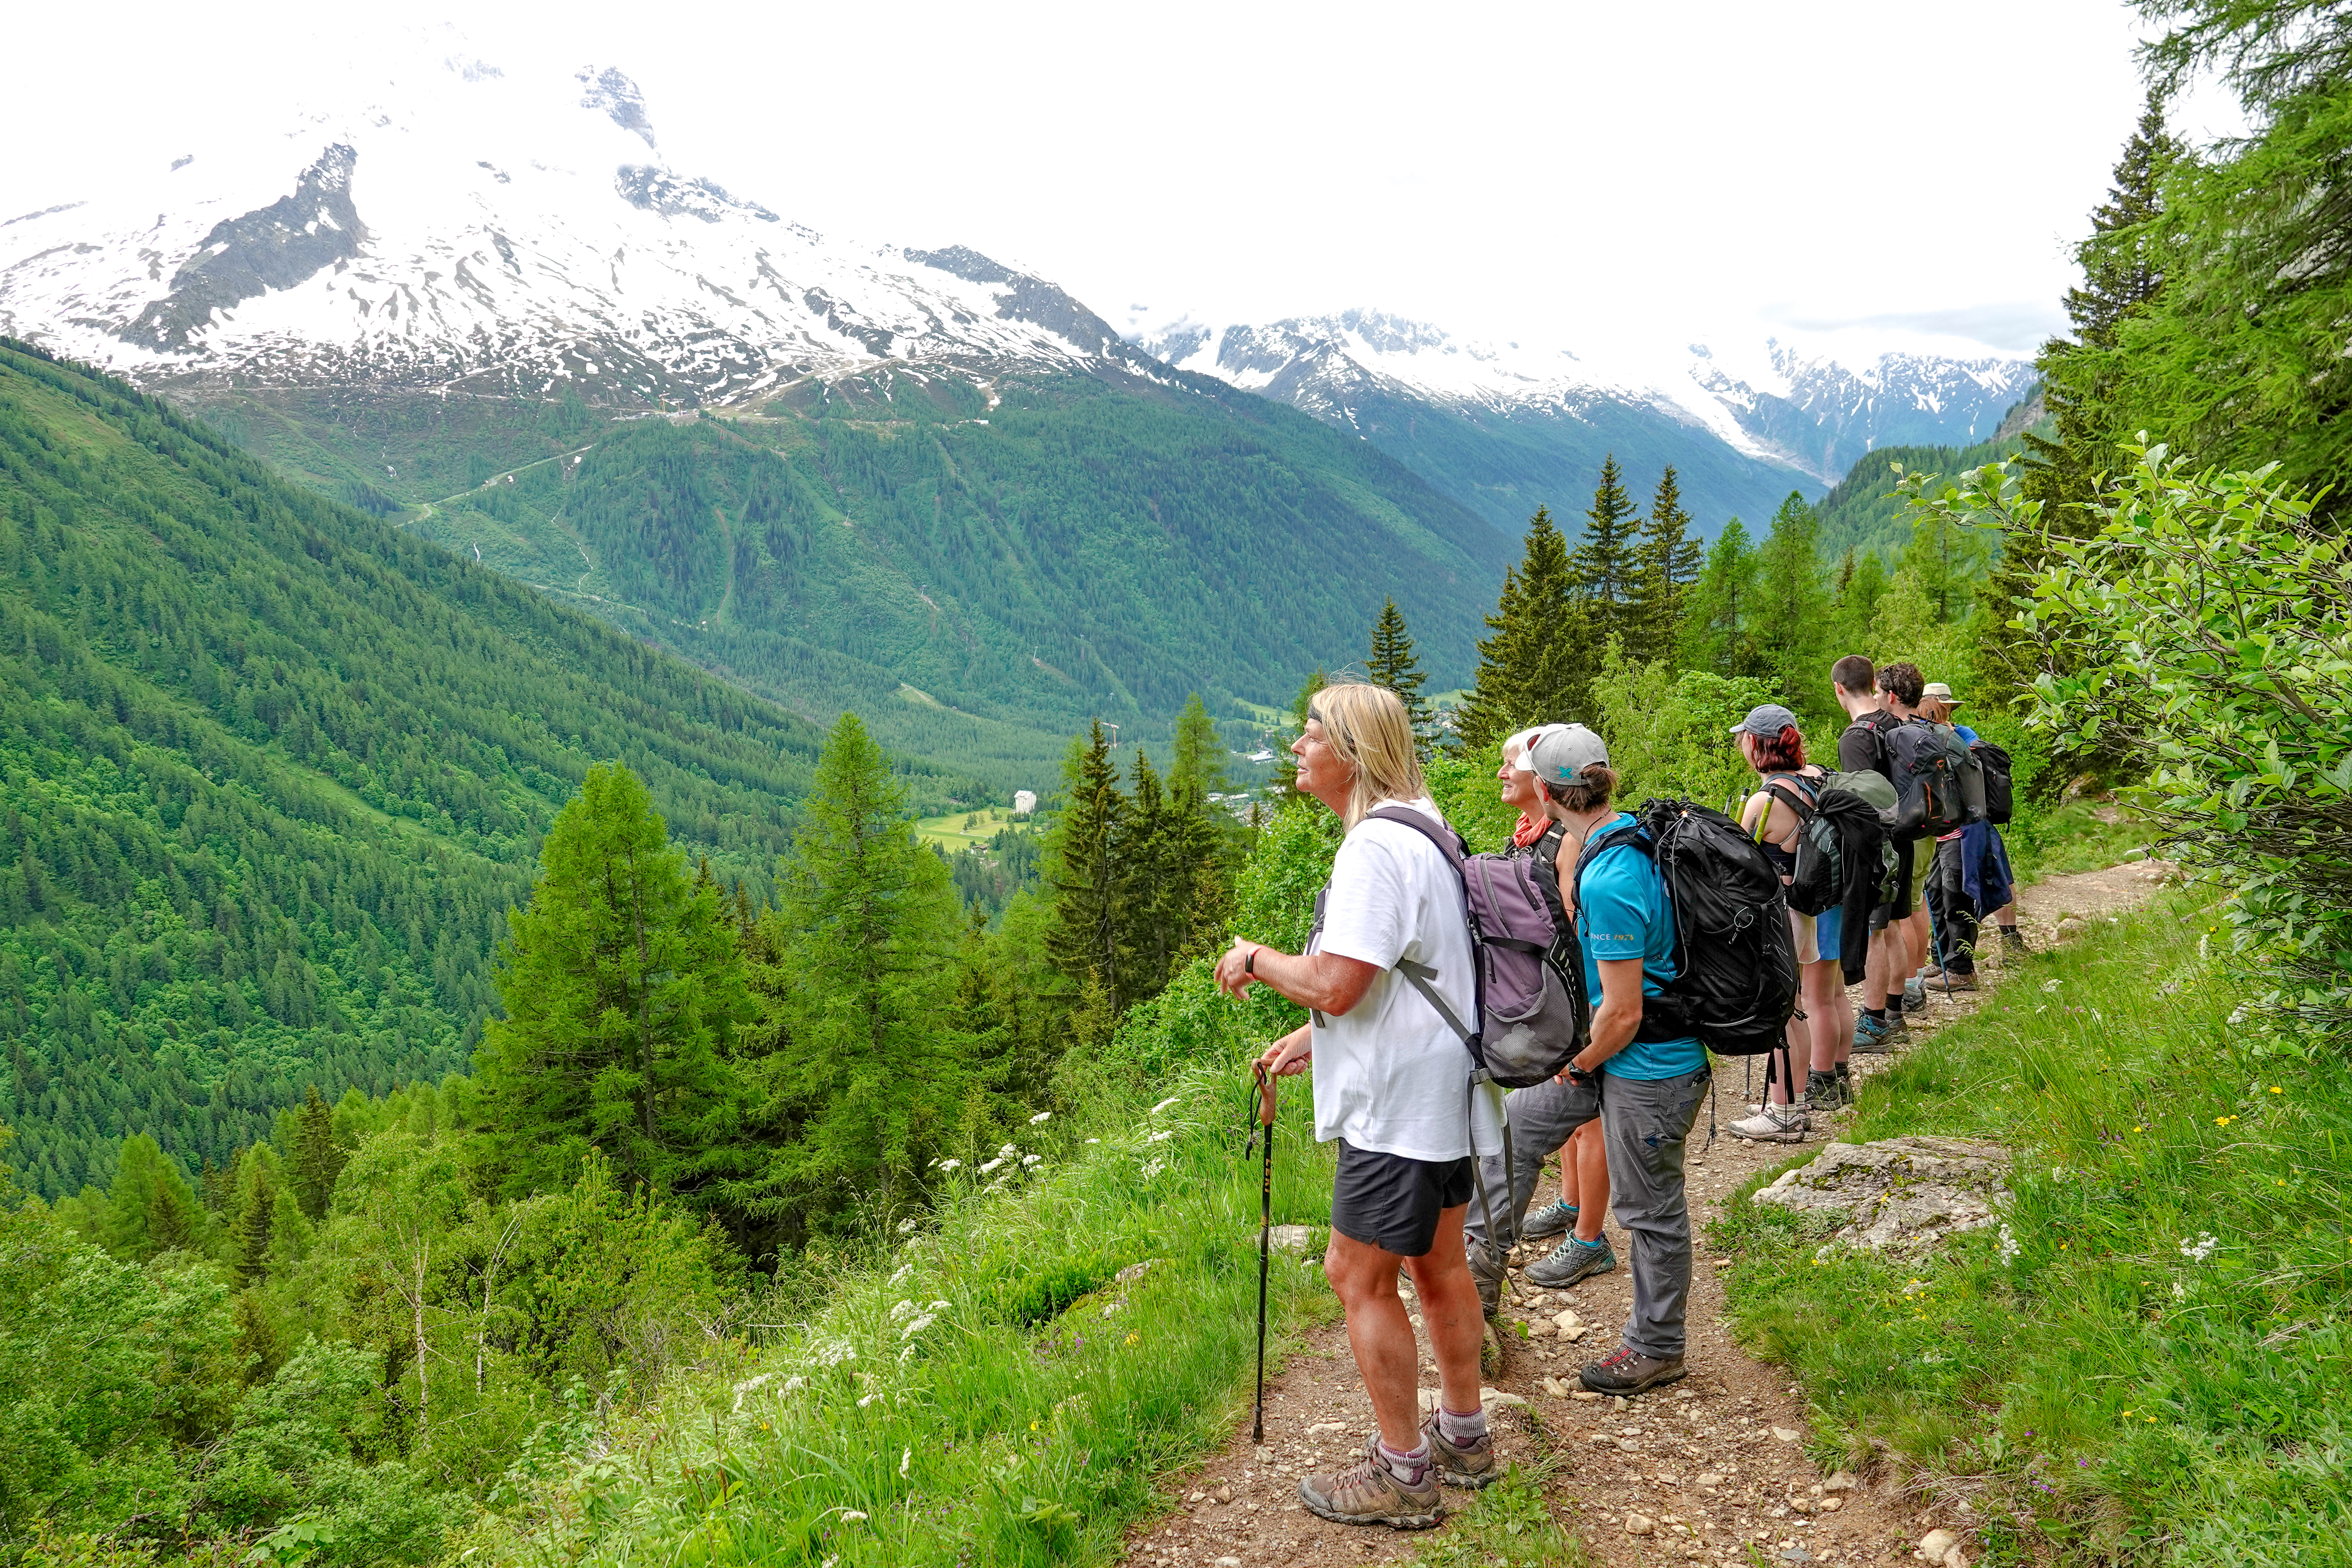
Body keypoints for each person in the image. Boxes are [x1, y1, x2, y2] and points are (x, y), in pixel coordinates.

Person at [1215, 681, 1496, 1527]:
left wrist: (1256, 959)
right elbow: (1403, 973)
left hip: (1395, 1107)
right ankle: (1465, 1436)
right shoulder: (1425, 824)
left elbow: (1338, 982)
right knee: (1438, 1263)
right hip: (1444, 1088)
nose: (1297, 747)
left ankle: (1404, 1473)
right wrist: (1316, 1036)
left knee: (1355, 1273)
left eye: (1311, 734)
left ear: (1351, 751)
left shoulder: (1373, 846)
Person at [1525, 724, 1709, 1395]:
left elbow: (1625, 1012)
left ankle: (1657, 1347)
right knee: (1518, 1127)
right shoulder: (1624, 834)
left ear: (1546, 792)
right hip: (1631, 1058)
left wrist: (1579, 1063)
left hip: (1648, 1067)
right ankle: (1479, 1277)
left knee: (1651, 1211)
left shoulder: (1609, 877)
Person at [1463, 727, 1615, 1315]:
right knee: (1561, 1126)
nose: (1502, 772)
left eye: (1511, 763)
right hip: (1561, 1010)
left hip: (1583, 1013)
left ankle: (1590, 1239)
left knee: (1586, 1123)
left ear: (1543, 780)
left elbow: (1579, 937)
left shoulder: (1568, 843)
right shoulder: (1530, 834)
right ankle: (1572, 1207)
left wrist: (1577, 1033)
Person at [1725, 705, 1852, 1141]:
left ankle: (1782, 1113)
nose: (1741, 745)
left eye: (1743, 739)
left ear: (1756, 743)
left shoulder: (1765, 801)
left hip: (1777, 918)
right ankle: (1790, 1102)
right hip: (1808, 913)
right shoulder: (1816, 780)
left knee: (1780, 1015)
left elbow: (1737, 864)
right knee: (1796, 1009)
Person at [1917, 682, 2024, 984]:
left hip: (1964, 831)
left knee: (1957, 897)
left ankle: (1962, 969)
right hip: (1942, 833)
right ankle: (1942, 960)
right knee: (1938, 895)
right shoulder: (1949, 737)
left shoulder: (1959, 739)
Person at [1831, 655, 1909, 1051]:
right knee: (1892, 926)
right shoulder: (1894, 723)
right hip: (1906, 838)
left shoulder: (1856, 738)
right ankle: (1895, 1012)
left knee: (1876, 931)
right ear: (1873, 684)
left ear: (1839, 689)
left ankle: (1876, 1021)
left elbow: (1862, 803)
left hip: (1878, 847)